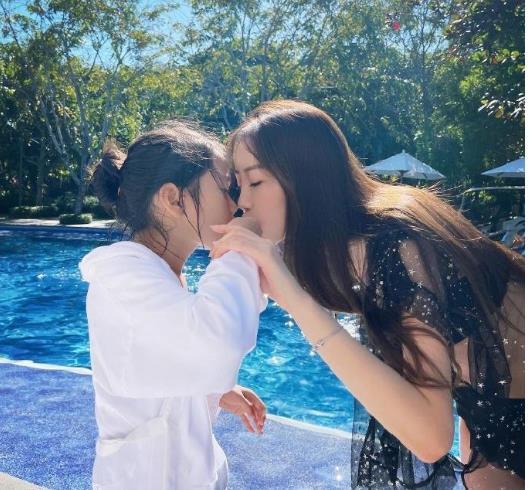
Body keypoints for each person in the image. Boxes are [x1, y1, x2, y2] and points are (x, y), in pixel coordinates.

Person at [210, 100, 525, 489]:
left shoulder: (398, 243)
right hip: (487, 398)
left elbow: (429, 438)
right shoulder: (338, 247)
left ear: (307, 180)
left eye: (255, 182)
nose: (243, 201)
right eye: (239, 184)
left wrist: (295, 300)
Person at [79, 121, 267, 489]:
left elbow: (160, 359)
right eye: (226, 187)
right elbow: (217, 341)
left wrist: (214, 390)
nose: (237, 202)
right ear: (173, 199)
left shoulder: (159, 272)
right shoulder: (123, 276)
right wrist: (242, 242)